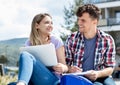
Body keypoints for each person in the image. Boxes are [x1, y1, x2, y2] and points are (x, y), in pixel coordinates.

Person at [8, 13, 68, 85]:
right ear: (37, 25)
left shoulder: (56, 40)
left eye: (51, 23)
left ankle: (21, 83)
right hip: (34, 79)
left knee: (25, 54)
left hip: (51, 80)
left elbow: (64, 65)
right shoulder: (29, 42)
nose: (50, 25)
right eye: (46, 23)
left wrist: (63, 68)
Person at [65, 4, 116, 85]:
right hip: (79, 76)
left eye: (83, 20)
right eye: (78, 19)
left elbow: (110, 67)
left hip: (101, 77)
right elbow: (66, 64)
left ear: (94, 22)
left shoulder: (107, 39)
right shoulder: (72, 38)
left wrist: (97, 74)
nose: (79, 23)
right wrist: (70, 69)